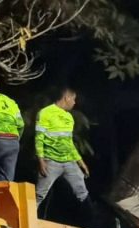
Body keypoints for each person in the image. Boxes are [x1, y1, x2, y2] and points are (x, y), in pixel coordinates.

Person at [35, 87, 94, 215]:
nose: (74, 103)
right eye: (73, 99)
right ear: (67, 98)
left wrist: (80, 162)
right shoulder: (45, 113)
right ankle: (26, 220)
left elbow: (69, 143)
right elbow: (39, 138)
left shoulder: (69, 117)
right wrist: (41, 160)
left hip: (69, 162)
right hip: (50, 161)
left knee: (82, 192)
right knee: (39, 194)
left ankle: (92, 221)